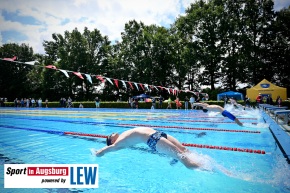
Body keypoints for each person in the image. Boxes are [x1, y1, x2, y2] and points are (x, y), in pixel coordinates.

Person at [91, 127, 200, 169]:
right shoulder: (118, 143)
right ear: (112, 141)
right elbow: (106, 150)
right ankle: (208, 169)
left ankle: (201, 161)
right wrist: (97, 153)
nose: (112, 133)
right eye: (110, 136)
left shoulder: (123, 135)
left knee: (185, 151)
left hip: (158, 134)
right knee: (184, 160)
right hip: (152, 140)